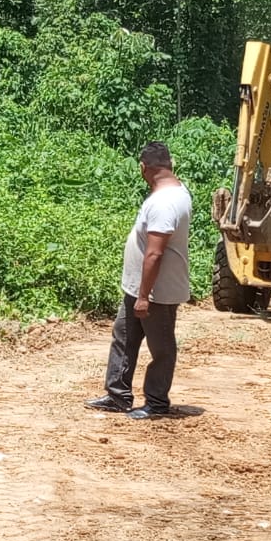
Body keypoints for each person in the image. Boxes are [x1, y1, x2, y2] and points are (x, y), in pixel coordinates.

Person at [85, 141, 193, 420]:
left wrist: (145, 296)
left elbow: (155, 253)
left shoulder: (164, 203)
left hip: (156, 291)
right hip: (139, 287)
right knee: (124, 337)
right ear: (170, 164)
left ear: (144, 168)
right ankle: (117, 395)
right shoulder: (175, 192)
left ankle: (156, 402)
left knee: (161, 348)